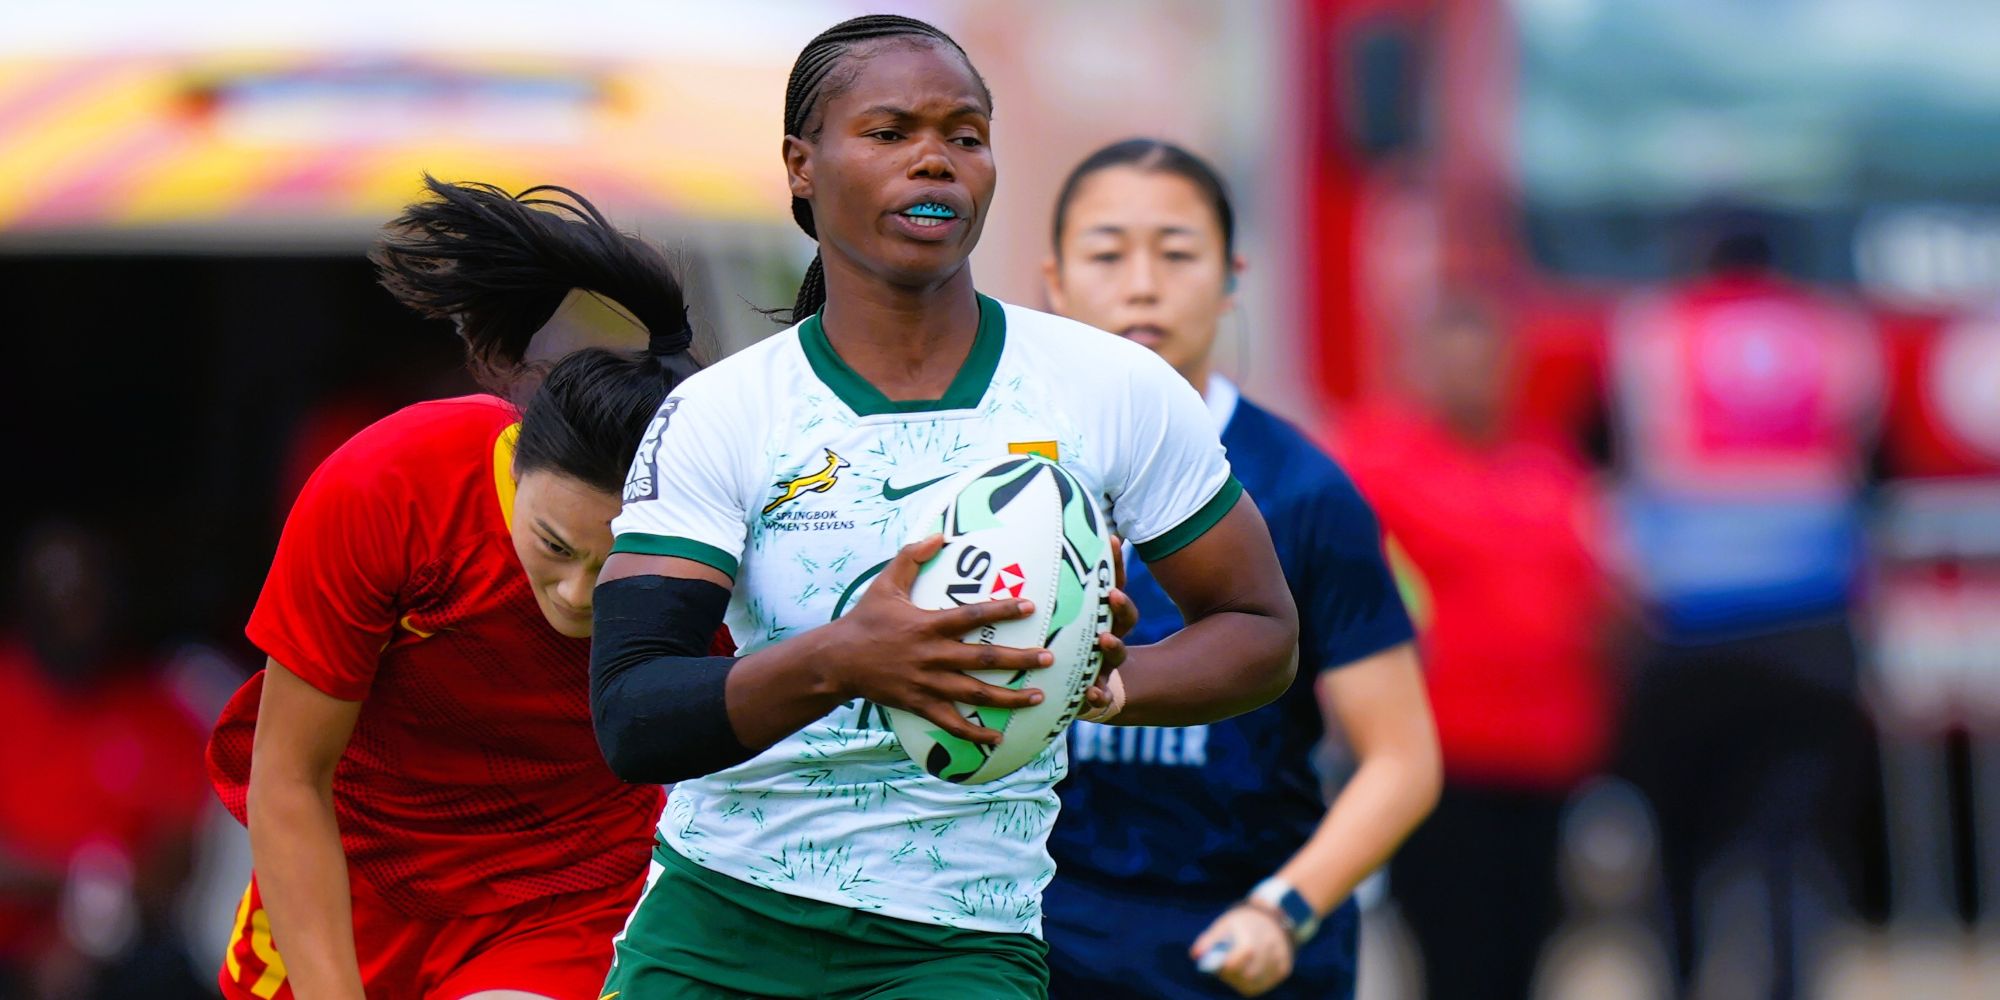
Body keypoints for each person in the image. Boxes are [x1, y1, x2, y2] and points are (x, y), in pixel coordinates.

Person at [589, 16, 1299, 1000]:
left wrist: (1104, 681)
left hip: (960, 938)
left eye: (965, 135)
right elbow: (633, 714)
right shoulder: (725, 413)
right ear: (801, 165)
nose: (935, 161)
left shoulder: (1111, 389)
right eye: (889, 133)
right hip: (716, 922)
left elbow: (1260, 628)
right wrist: (843, 659)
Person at [204, 177, 708, 1000]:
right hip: (349, 878)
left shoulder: (716, 539)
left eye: (615, 565)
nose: (578, 595)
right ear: (516, 456)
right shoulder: (389, 487)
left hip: (565, 897)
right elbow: (289, 777)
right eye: (555, 546)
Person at [1033, 138, 1439, 1000]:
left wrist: (1284, 910)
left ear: (1229, 280)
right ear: (1055, 283)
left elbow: (1402, 759)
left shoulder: (1303, 490)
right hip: (1039, 945)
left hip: (1239, 950)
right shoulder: (1004, 476)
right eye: (1106, 254)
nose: (1143, 284)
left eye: (1178, 253)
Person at [1337, 298, 1618, 1000]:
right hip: (1437, 757)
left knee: (1529, 946)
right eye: (1454, 362)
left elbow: (1592, 592)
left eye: (1486, 362)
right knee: (1454, 952)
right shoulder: (1379, 461)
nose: (1473, 379)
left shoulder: (1549, 464)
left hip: (1546, 753)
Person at [0, 521, 211, 1000]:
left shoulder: (159, 712)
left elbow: (172, 866)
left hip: (110, 948)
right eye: (56, 593)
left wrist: (86, 931)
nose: (74, 613)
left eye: (86, 596)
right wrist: (82, 879)